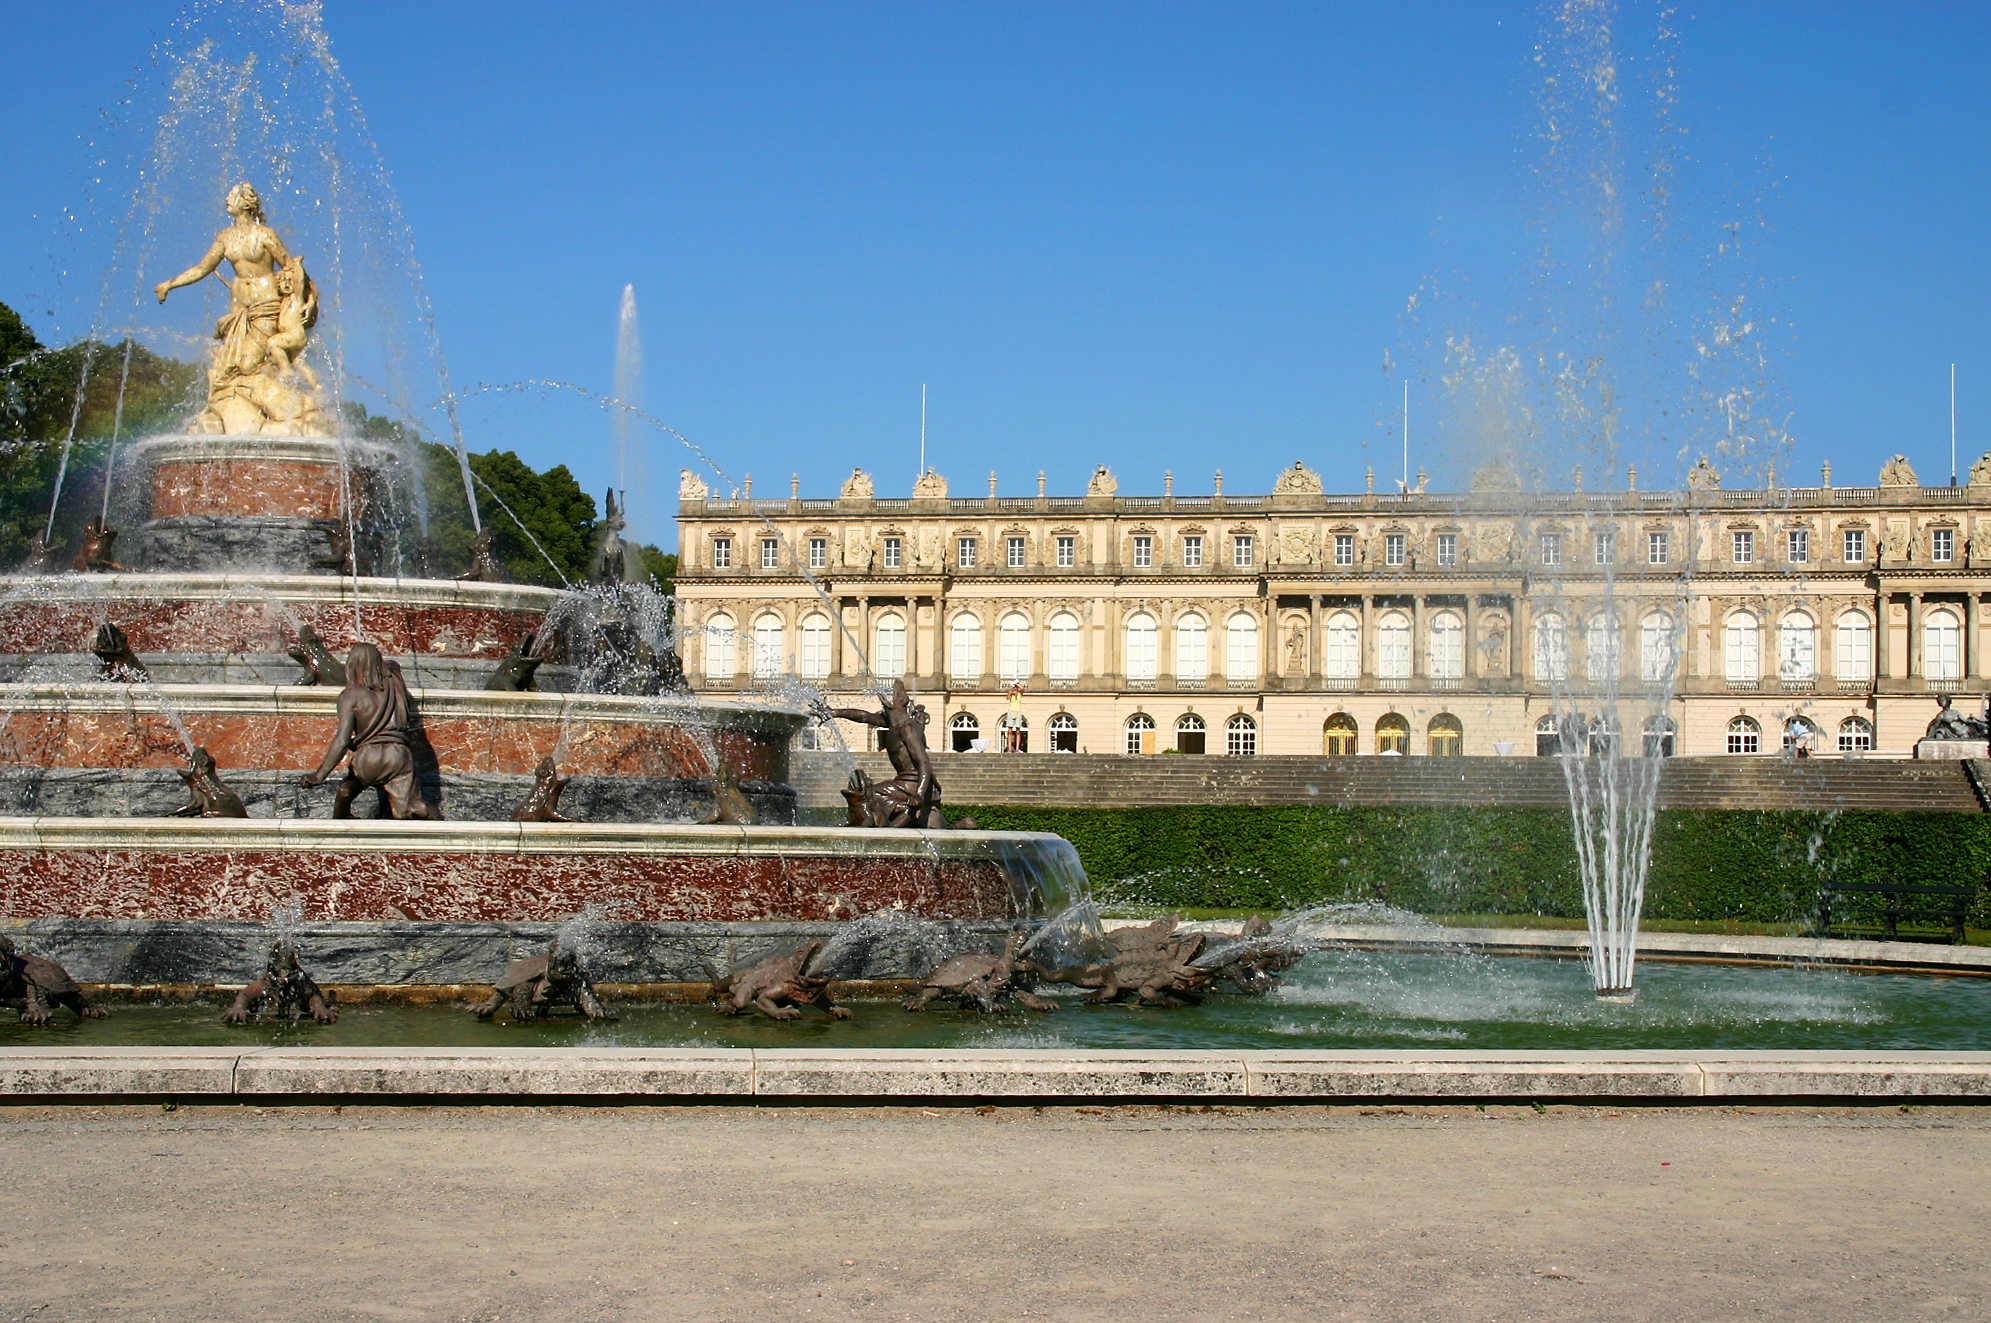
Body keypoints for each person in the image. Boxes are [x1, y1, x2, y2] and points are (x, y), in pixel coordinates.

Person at [299, 642, 442, 819]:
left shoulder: (349, 696)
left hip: (367, 758)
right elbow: (394, 666)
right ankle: (441, 825)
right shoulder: (395, 683)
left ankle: (340, 822)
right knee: (411, 807)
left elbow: (342, 740)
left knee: (346, 790)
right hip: (397, 757)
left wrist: (319, 775)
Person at [827, 680, 942, 827]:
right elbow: (864, 716)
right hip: (903, 782)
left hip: (912, 783)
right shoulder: (892, 723)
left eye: (892, 694)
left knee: (870, 794)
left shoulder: (907, 729)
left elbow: (923, 762)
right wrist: (834, 713)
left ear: (901, 701)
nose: (886, 697)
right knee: (866, 793)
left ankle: (885, 819)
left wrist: (919, 793)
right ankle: (888, 816)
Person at [1005, 680, 1025, 753]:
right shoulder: (1011, 694)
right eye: (1014, 687)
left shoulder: (1020, 694)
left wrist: (1016, 683)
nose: (1015, 689)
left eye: (1016, 687)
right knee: (1010, 730)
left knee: (1018, 730)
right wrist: (1011, 692)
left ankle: (1017, 748)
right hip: (1011, 711)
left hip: (1018, 711)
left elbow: (1023, 688)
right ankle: (1010, 748)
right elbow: (1007, 698)